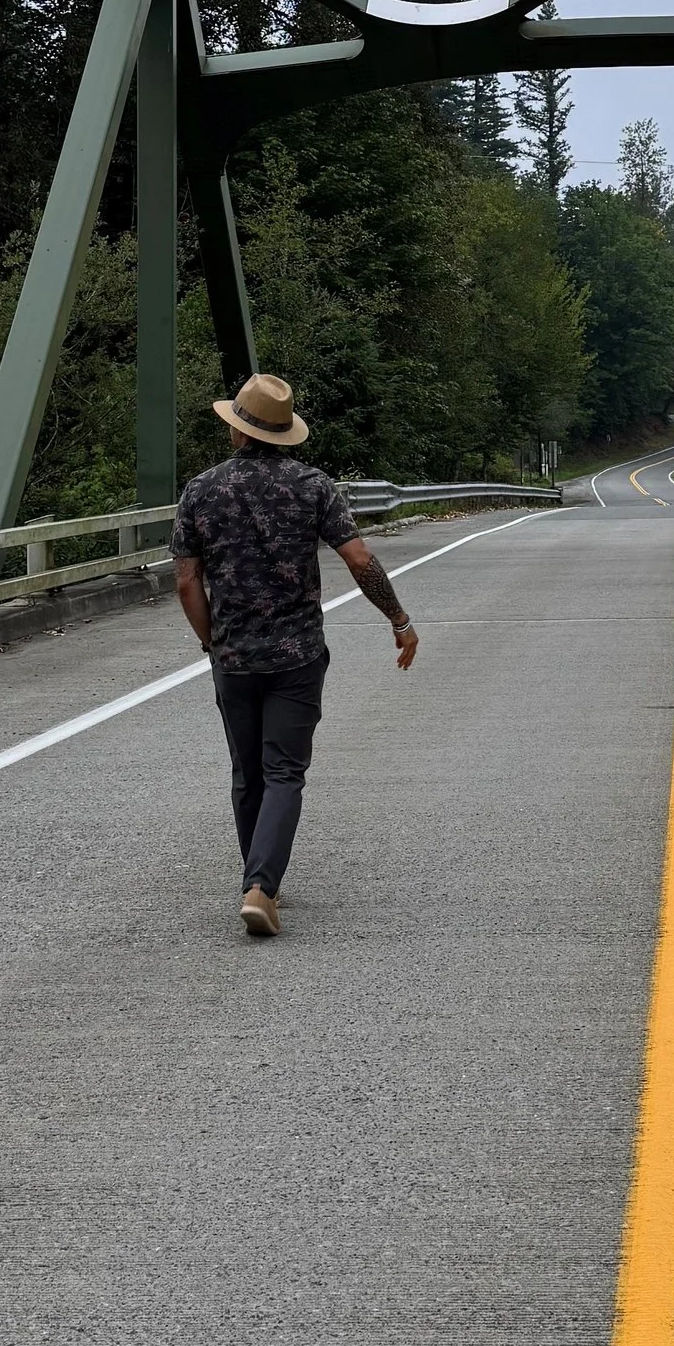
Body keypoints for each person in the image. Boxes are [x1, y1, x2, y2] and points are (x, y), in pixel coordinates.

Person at [169, 370, 418, 939]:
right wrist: (399, 620)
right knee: (284, 770)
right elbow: (360, 561)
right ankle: (261, 886)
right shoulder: (314, 487)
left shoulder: (201, 490)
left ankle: (257, 879)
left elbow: (186, 583)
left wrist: (212, 643)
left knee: (246, 771)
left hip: (233, 655)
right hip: (297, 654)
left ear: (237, 430)